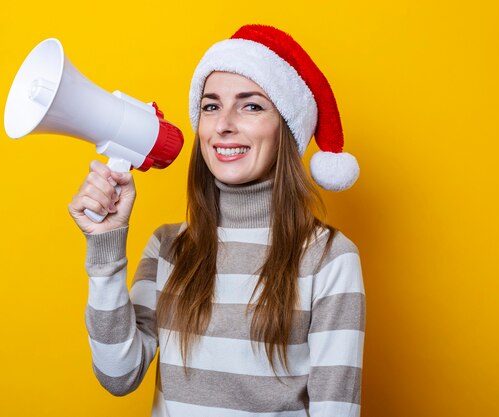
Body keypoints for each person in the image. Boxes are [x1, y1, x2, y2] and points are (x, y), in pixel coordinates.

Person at [68, 24, 365, 417]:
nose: (223, 123)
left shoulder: (329, 258)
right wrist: (104, 251)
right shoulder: (168, 247)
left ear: (288, 131)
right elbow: (118, 376)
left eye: (251, 105)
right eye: (211, 106)